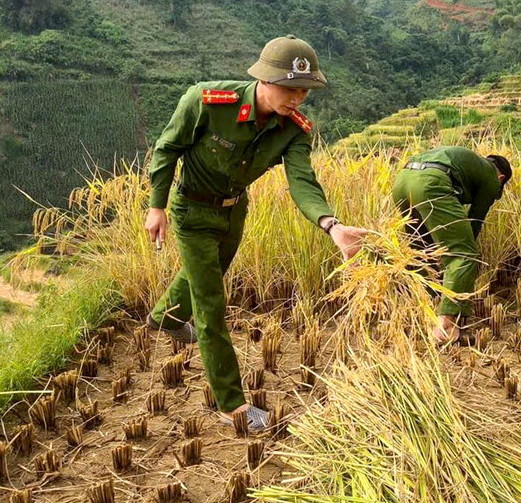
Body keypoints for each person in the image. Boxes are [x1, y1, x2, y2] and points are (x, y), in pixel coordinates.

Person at [144, 35, 367, 431]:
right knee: (211, 305)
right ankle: (233, 406)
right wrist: (156, 205)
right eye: (290, 88)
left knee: (207, 275)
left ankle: (164, 317)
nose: (297, 98)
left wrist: (330, 225)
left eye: (304, 90)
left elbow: (303, 181)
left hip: (234, 212)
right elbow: (167, 148)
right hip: (193, 210)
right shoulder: (207, 101)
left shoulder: (294, 130)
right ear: (263, 79)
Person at [391, 146, 511, 345]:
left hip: (402, 181)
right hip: (431, 184)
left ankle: (421, 314)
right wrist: (458, 263)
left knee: (422, 251)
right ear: (501, 179)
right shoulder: (492, 178)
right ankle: (447, 327)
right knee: (464, 254)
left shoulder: (472, 163)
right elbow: (474, 221)